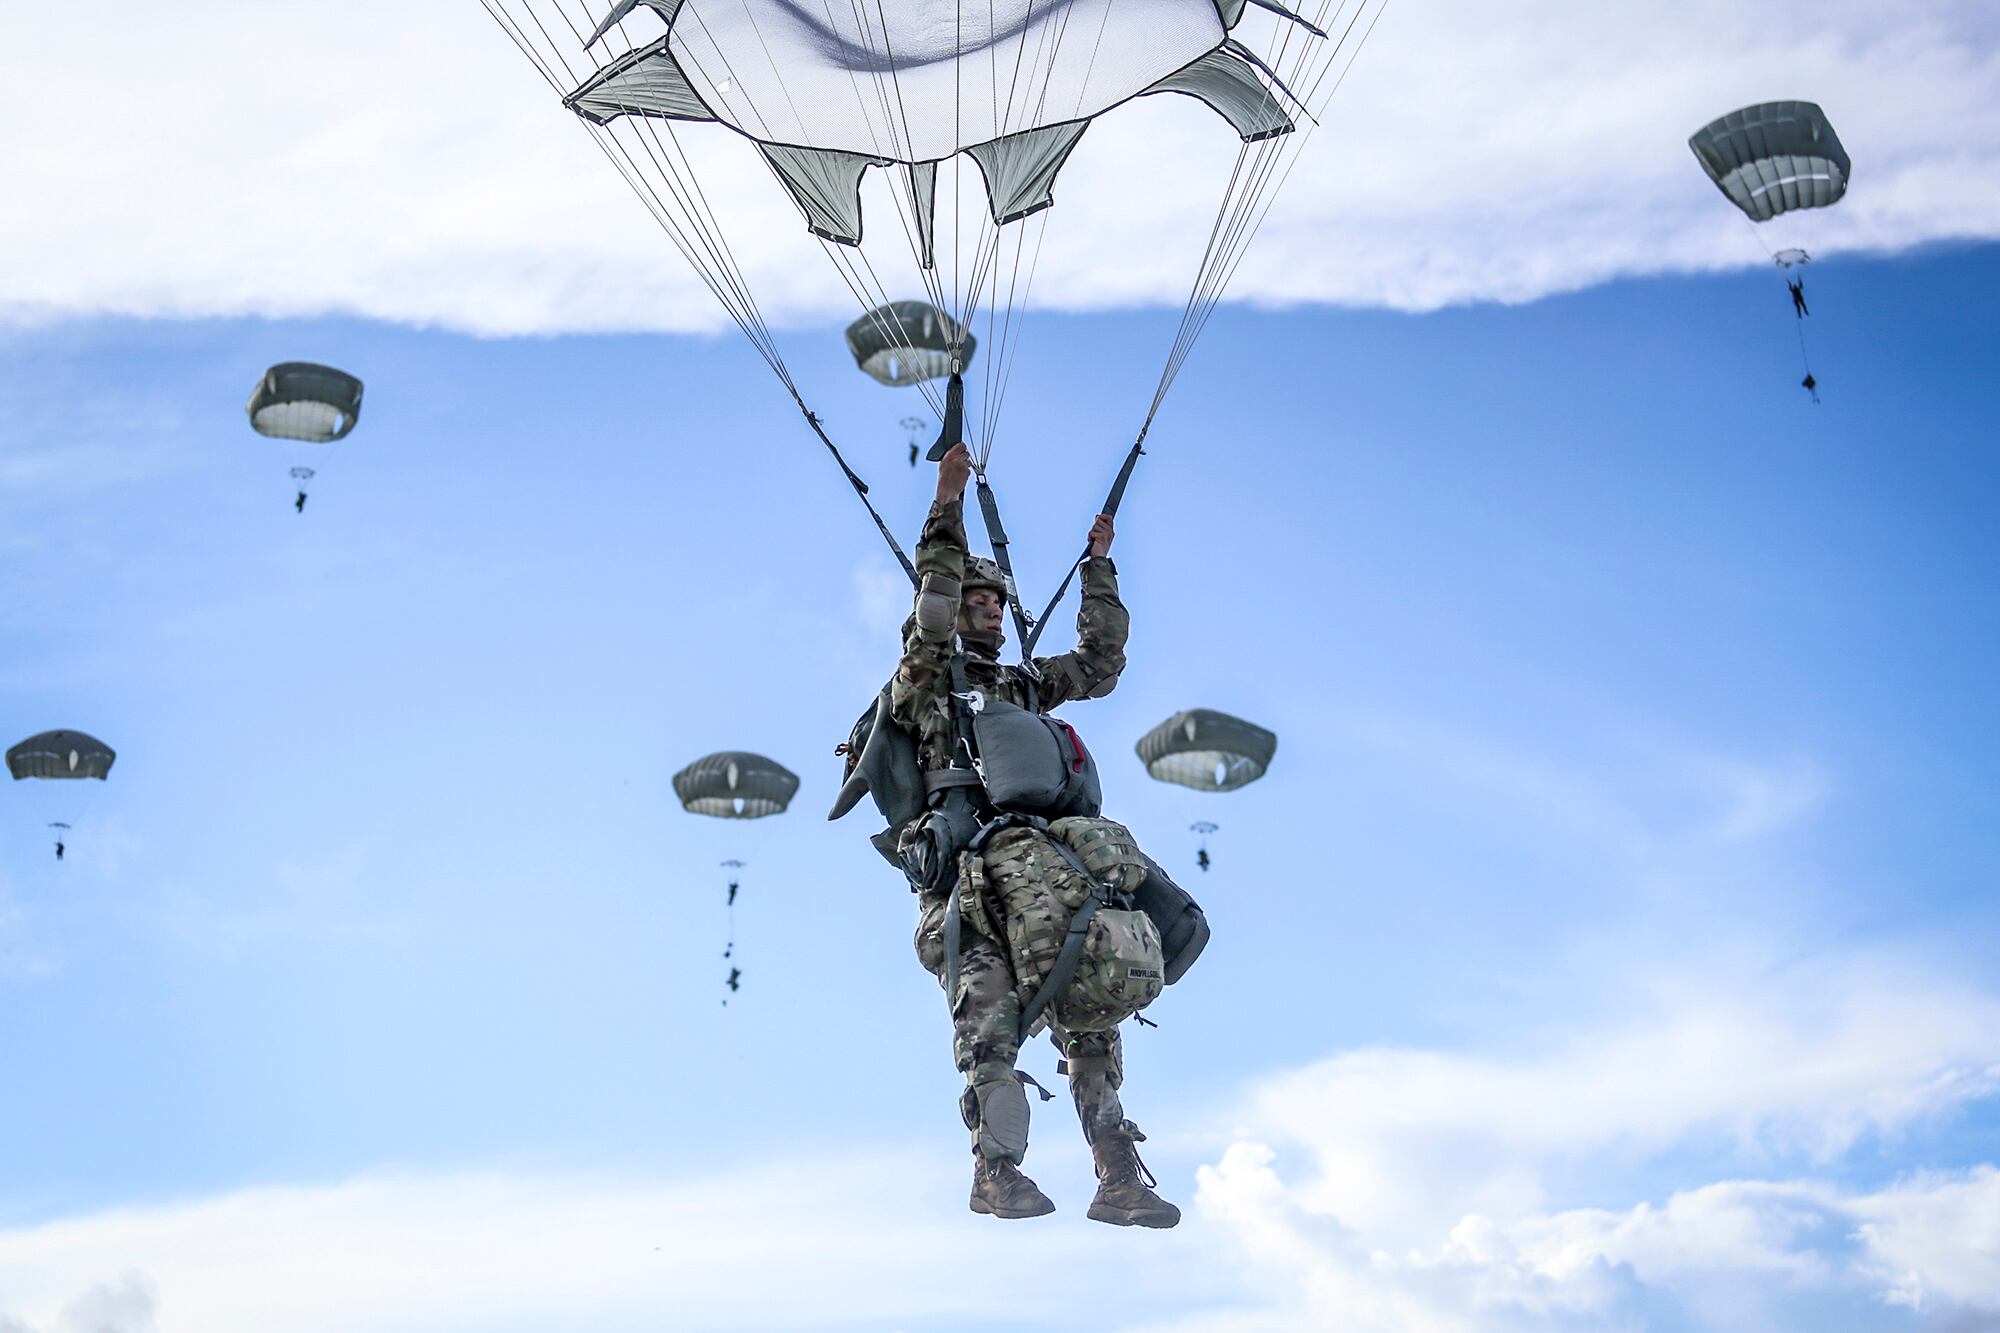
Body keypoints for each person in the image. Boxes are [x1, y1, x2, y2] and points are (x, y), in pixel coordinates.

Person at [890, 441, 1179, 1227]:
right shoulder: (924, 681)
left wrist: (1099, 567)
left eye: (995, 600)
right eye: (980, 598)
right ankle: (994, 1171)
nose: (990, 608)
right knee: (990, 1025)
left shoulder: (1018, 685)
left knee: (1092, 1013)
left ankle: (1118, 1178)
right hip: (967, 894)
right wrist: (947, 499)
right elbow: (936, 602)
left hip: (1044, 883)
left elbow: (1101, 662)